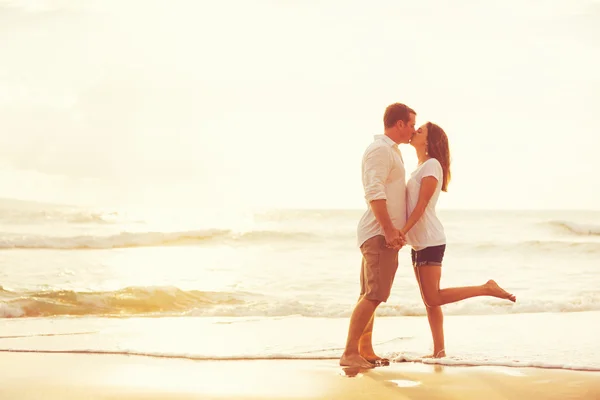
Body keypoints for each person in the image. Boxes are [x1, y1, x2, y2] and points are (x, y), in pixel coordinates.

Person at [401, 122, 516, 358]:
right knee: (430, 302)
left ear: (430, 141)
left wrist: (402, 231)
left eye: (420, 131)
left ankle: (486, 288)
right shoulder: (421, 166)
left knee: (433, 297)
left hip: (430, 240)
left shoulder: (432, 165)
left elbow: (421, 206)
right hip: (419, 242)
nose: (414, 132)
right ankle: (439, 352)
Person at [340, 103, 416, 369]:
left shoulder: (390, 151)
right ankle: (349, 353)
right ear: (399, 124)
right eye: (411, 125)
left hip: (381, 233)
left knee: (370, 294)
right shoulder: (380, 150)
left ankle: (365, 350)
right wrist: (388, 229)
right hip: (378, 233)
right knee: (374, 294)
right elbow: (374, 191)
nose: (413, 130)